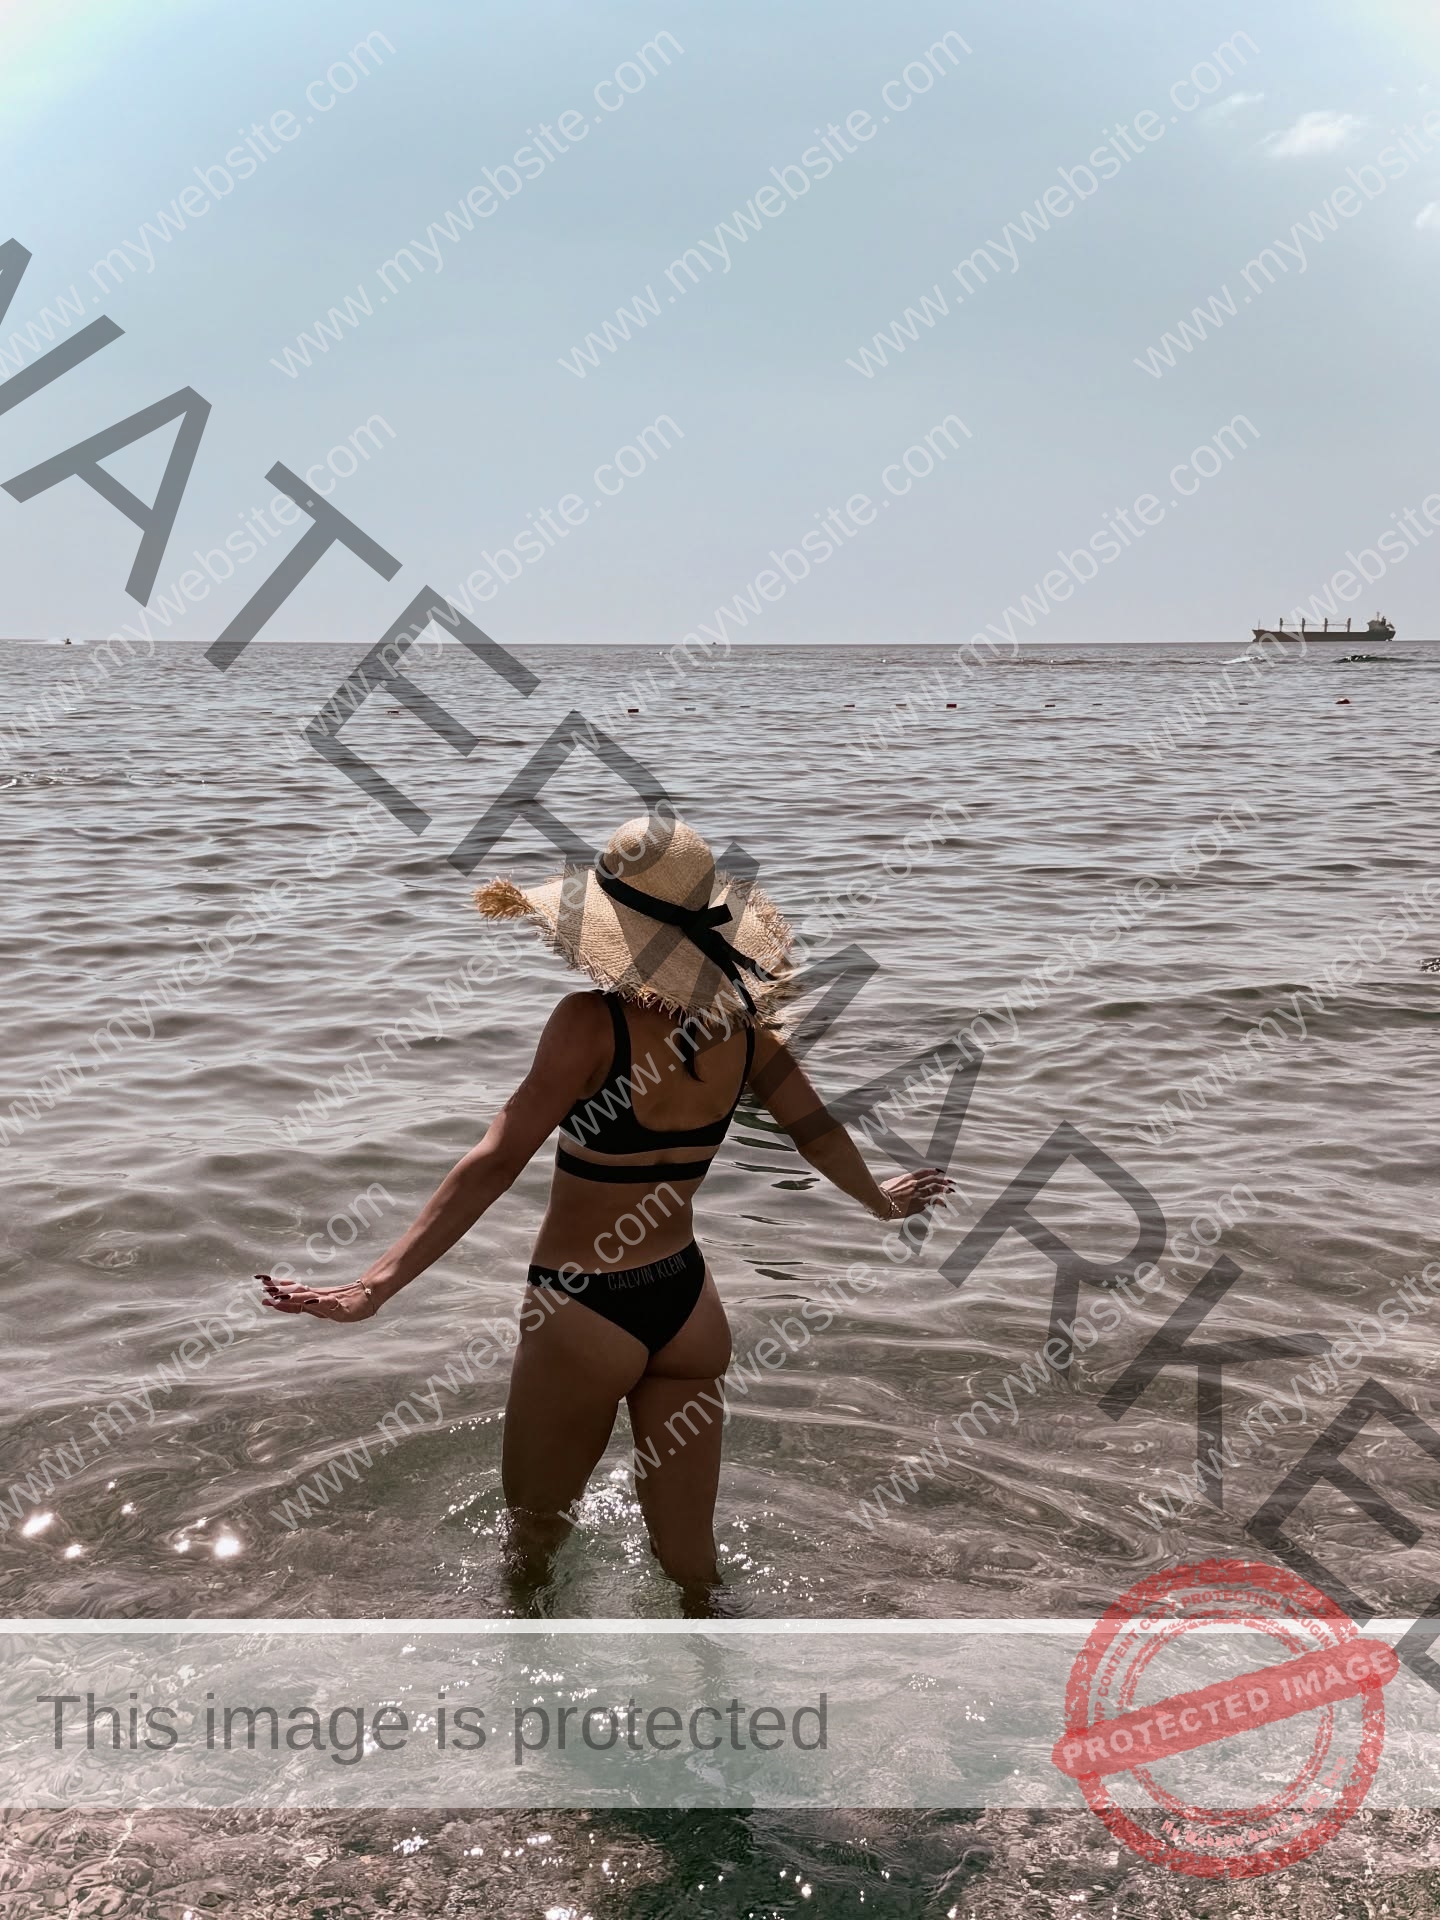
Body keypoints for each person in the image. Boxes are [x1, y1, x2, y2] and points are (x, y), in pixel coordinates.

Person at [261, 812, 949, 1608]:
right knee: (693, 1566)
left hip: (581, 1311)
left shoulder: (589, 1025)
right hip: (688, 1306)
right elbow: (819, 1135)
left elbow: (493, 1163)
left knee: (532, 1544)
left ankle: (530, 1680)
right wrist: (881, 1203)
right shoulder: (746, 1035)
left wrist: (374, 1286)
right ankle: (719, 1670)